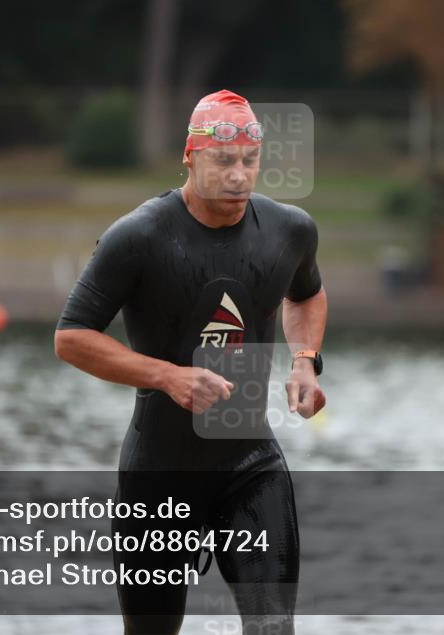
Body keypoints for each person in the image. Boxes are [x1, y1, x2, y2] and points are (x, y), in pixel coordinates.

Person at [54, 89, 328, 634]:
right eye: (223, 160)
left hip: (250, 465)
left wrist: (304, 361)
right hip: (159, 473)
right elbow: (71, 337)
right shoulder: (138, 237)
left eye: (250, 161)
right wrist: (168, 376)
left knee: (274, 627)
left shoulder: (288, 230)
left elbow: (307, 295)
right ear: (190, 155)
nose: (238, 176)